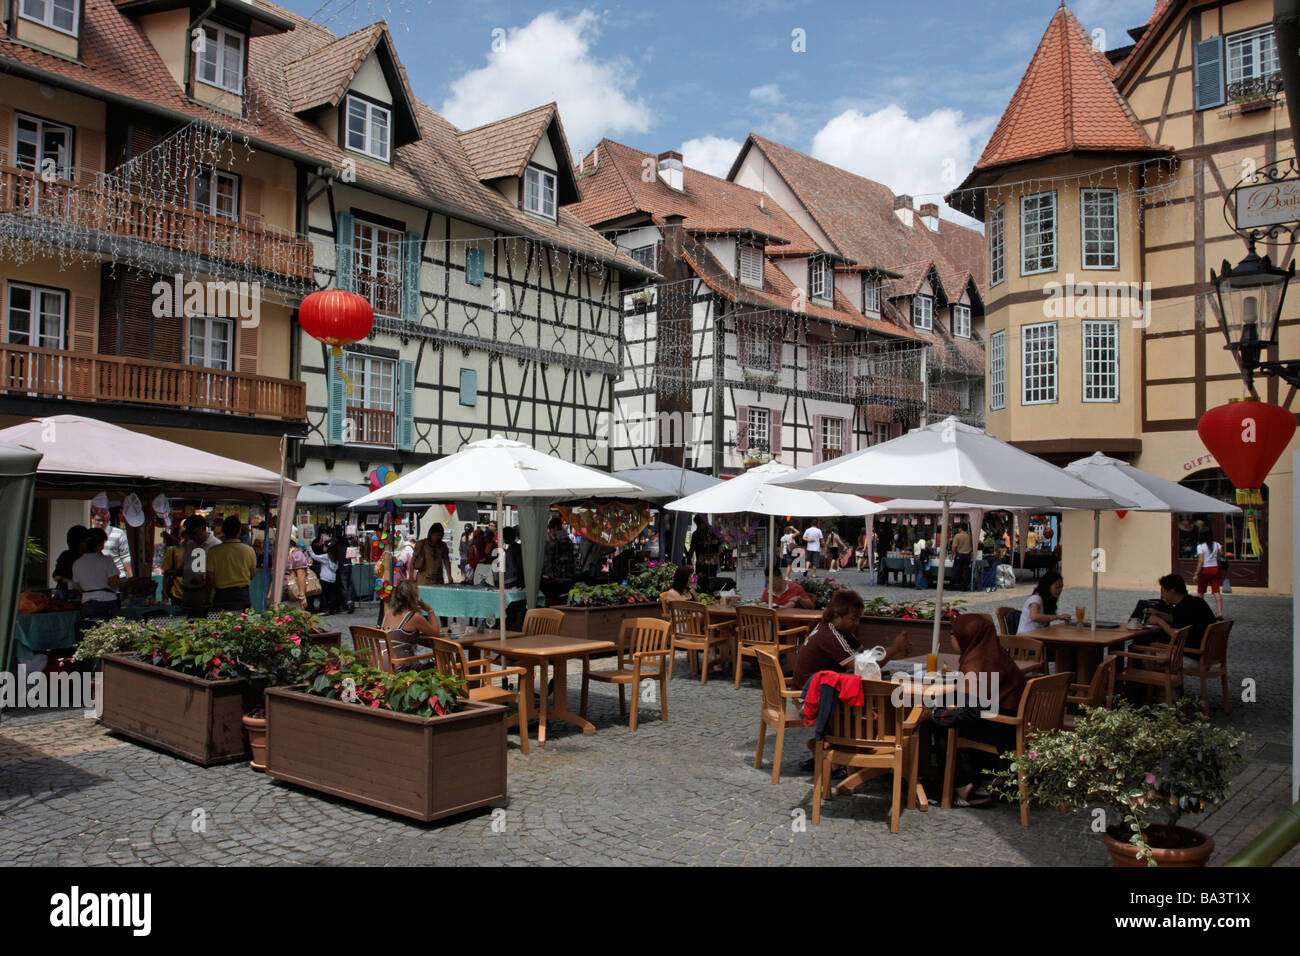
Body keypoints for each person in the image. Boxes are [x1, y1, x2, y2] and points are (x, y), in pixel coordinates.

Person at [938, 614, 1028, 807]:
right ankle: (986, 777)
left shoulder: (977, 662)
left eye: (954, 633)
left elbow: (972, 710)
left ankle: (963, 786)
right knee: (949, 712)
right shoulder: (995, 653)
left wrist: (938, 714)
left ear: (967, 636)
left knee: (941, 723)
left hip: (1006, 729)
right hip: (1017, 724)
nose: (951, 637)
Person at [793, 589, 907, 695]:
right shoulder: (830, 635)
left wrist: (893, 652)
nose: (857, 623)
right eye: (853, 619)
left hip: (817, 689)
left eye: (859, 618)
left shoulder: (839, 629)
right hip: (808, 696)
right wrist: (894, 649)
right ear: (837, 616)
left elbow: (865, 655)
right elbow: (864, 667)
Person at [1144, 573, 1218, 652]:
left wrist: (1159, 621)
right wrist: (1158, 613)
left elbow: (1176, 634)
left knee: (1143, 648)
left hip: (1189, 653)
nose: (1163, 596)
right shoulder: (1195, 601)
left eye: (1164, 592)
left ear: (1172, 591)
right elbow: (1178, 619)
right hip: (1206, 651)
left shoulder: (1184, 607)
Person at [382, 580, 441, 670]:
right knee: (437, 662)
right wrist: (430, 611)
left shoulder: (388, 613)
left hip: (381, 663)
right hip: (398, 666)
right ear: (413, 597)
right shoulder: (413, 617)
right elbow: (436, 632)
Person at [206, 516, 257, 611]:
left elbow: (210, 577)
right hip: (242, 595)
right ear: (239, 531)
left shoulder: (213, 551)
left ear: (223, 531)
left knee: (220, 623)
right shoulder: (249, 550)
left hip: (221, 595)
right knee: (241, 624)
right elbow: (252, 575)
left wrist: (207, 597)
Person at [73, 528, 121, 620]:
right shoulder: (106, 560)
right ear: (100, 544)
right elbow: (114, 583)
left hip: (87, 602)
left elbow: (78, 587)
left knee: (89, 631)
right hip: (107, 601)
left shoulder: (77, 563)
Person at [1193, 526, 1225, 617]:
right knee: (1216, 591)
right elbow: (1221, 556)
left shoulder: (1200, 547)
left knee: (1201, 592)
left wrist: (1196, 574)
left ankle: (1200, 613)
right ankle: (1220, 613)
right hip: (1215, 569)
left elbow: (1201, 562)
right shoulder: (1217, 544)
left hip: (1205, 570)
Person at [91, 510, 132, 579]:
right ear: (92, 520)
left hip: (118, 576)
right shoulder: (89, 535)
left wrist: (130, 575)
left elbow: (125, 556)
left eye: (104, 520)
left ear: (108, 520)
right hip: (97, 577)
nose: (101, 523)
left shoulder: (119, 533)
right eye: (98, 520)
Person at [52, 525, 88, 599]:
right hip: (67, 593)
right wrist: (68, 581)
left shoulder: (90, 556)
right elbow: (56, 576)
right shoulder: (66, 555)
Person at [310, 533, 341, 613]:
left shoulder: (326, 556)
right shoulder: (335, 556)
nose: (323, 548)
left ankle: (325, 609)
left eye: (324, 546)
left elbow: (314, 556)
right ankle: (332, 609)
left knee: (321, 594)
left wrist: (309, 547)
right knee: (331, 594)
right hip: (332, 578)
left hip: (324, 578)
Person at [686, 514, 720, 587]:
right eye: (697, 524)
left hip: (712, 563)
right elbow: (692, 548)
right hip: (701, 563)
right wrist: (688, 560)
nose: (698, 526)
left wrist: (716, 556)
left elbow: (720, 545)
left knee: (712, 582)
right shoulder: (696, 534)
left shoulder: (714, 532)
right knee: (701, 582)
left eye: (699, 524)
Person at [950, 523, 974, 592]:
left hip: (959, 555)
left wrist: (952, 555)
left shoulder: (957, 536)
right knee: (965, 570)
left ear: (960, 528)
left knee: (956, 570)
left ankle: (954, 585)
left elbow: (954, 546)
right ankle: (964, 586)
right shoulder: (969, 536)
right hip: (967, 555)